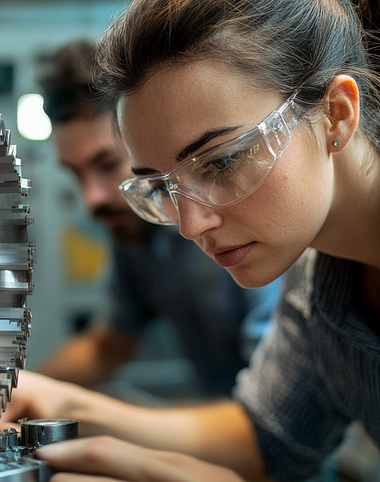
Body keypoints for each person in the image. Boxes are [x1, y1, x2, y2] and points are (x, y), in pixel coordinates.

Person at [0, 0, 380, 480]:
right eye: (162, 188)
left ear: (336, 112)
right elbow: (265, 437)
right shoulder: (319, 281)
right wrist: (58, 404)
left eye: (221, 161)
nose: (191, 225)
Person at [33, 38, 281, 398]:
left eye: (107, 165)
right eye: (76, 174)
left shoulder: (236, 222)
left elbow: (276, 413)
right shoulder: (137, 233)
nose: (92, 198)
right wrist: (5, 394)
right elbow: (109, 345)